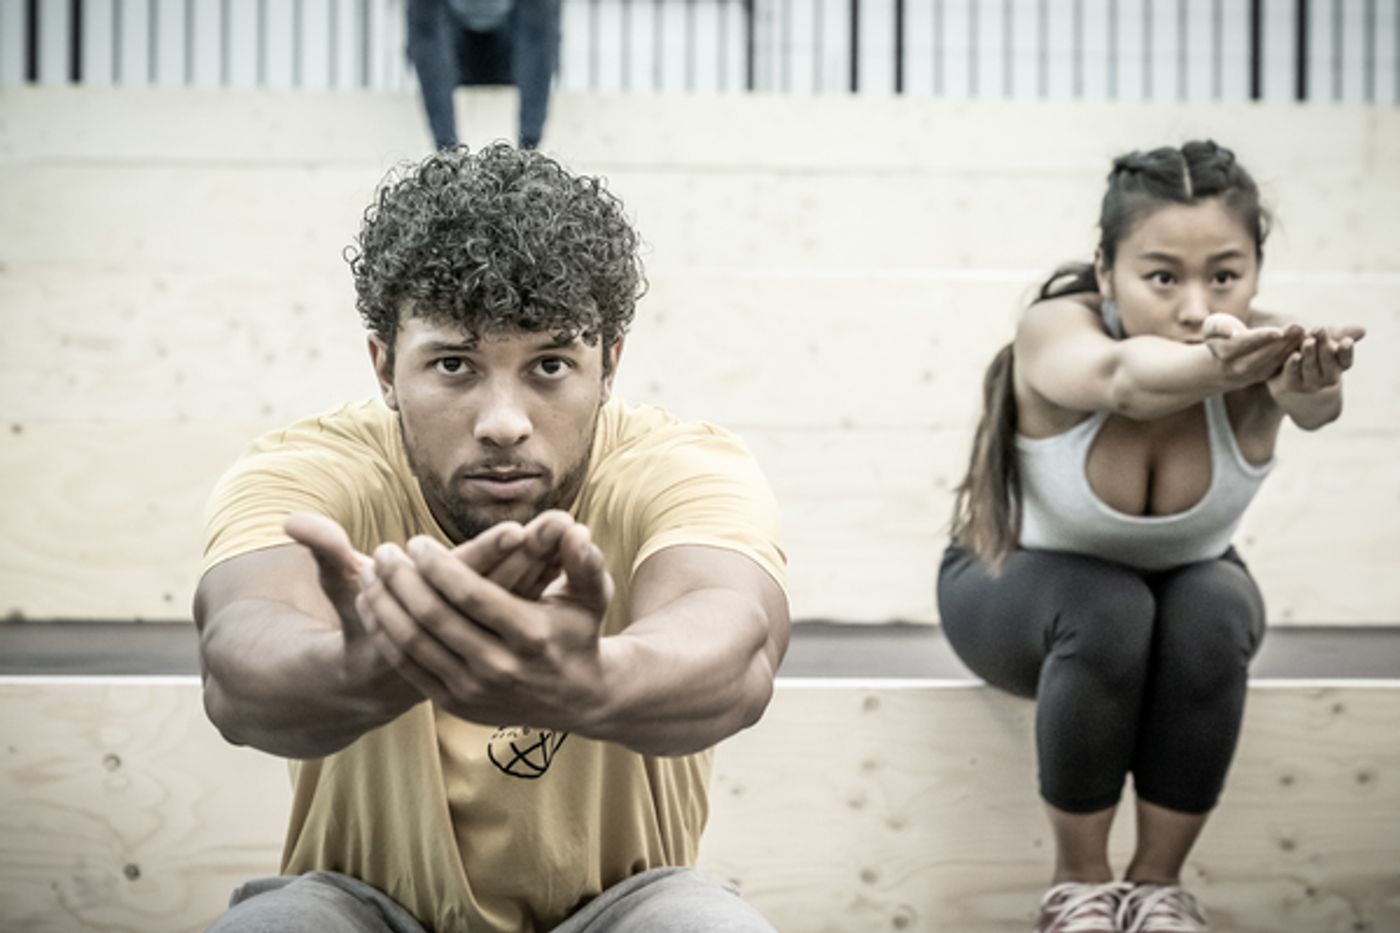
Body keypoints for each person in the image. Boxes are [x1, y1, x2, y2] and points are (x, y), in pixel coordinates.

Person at [194, 143, 789, 933]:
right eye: (453, 365)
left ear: (609, 365)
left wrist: (592, 679)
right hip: (357, 905)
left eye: (549, 365)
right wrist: (362, 666)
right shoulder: (309, 467)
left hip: (626, 909)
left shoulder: (680, 464)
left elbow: (737, 644)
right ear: (383, 367)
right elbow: (238, 662)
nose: (503, 423)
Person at [937, 140, 1364, 933]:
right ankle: (1079, 884)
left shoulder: (1270, 350)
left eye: (1226, 275)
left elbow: (1315, 408)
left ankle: (1157, 887)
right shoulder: (1056, 329)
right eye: (1162, 276)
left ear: (1256, 272)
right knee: (1109, 605)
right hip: (1009, 584)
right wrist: (1231, 368)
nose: (1198, 306)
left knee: (1217, 604)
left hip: (1174, 590)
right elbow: (1124, 384)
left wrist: (1315, 383)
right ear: (1106, 271)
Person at [407, 0, 561, 151]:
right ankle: (447, 153)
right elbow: (426, 31)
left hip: (509, 55)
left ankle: (529, 148)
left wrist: (529, 143)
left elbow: (538, 34)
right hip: (454, 55)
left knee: (542, 7)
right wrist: (447, 146)